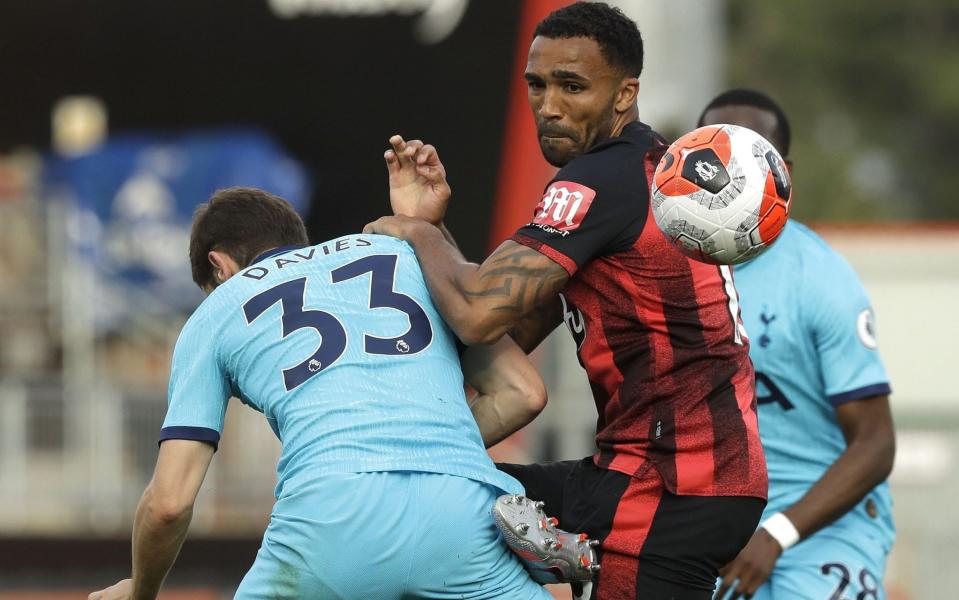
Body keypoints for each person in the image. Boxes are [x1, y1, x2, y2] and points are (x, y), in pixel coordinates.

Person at [365, 3, 768, 598]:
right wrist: (437, 228)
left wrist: (415, 233)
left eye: (572, 86)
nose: (549, 106)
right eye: (537, 84)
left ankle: (569, 558)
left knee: (435, 501)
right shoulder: (644, 167)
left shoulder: (600, 180)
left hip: (672, 480)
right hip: (677, 472)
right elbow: (508, 330)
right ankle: (567, 557)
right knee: (456, 490)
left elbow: (477, 311)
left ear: (624, 93)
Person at [87, 187, 557, 600]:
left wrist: (141, 590)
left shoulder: (216, 313)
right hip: (463, 512)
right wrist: (429, 449)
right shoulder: (402, 256)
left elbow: (169, 503)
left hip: (331, 518)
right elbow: (522, 393)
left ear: (219, 265)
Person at [699, 90, 896, 600]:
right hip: (711, 528)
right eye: (716, 154)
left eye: (749, 156)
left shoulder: (821, 279)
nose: (729, 172)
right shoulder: (665, 272)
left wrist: (777, 533)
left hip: (823, 527)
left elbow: (876, 444)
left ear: (781, 171)